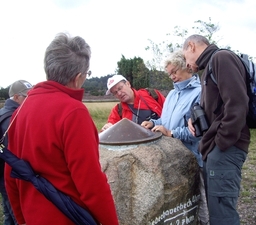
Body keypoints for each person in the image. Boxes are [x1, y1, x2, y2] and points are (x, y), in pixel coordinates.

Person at [4, 33, 119, 225]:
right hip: (68, 218)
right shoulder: (73, 112)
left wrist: (22, 218)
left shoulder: (22, 109)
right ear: (78, 77)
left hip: (32, 216)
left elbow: (11, 171)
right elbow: (91, 185)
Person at [182, 34, 250, 225]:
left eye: (185, 57)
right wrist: (193, 119)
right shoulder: (210, 67)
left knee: (222, 216)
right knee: (216, 211)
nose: (186, 64)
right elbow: (215, 109)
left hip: (226, 148)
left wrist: (221, 143)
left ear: (191, 46)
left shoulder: (221, 58)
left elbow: (237, 104)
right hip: (216, 148)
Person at [141, 50, 209, 225]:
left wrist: (171, 133)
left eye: (174, 72)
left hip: (194, 157)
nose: (172, 76)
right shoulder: (172, 94)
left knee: (200, 200)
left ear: (186, 68)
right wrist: (153, 122)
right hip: (173, 158)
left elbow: (199, 131)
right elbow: (166, 120)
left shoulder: (200, 93)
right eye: (169, 73)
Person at [0, 80, 33, 225]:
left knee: (8, 213)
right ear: (16, 97)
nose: (30, 100)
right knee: (17, 216)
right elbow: (17, 153)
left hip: (3, 175)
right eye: (27, 97)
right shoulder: (12, 118)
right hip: (11, 177)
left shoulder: (3, 113)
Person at [101, 74, 165, 131]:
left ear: (128, 84)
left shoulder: (151, 94)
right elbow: (109, 131)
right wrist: (107, 128)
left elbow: (171, 113)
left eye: (120, 88)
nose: (119, 93)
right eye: (115, 92)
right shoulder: (117, 111)